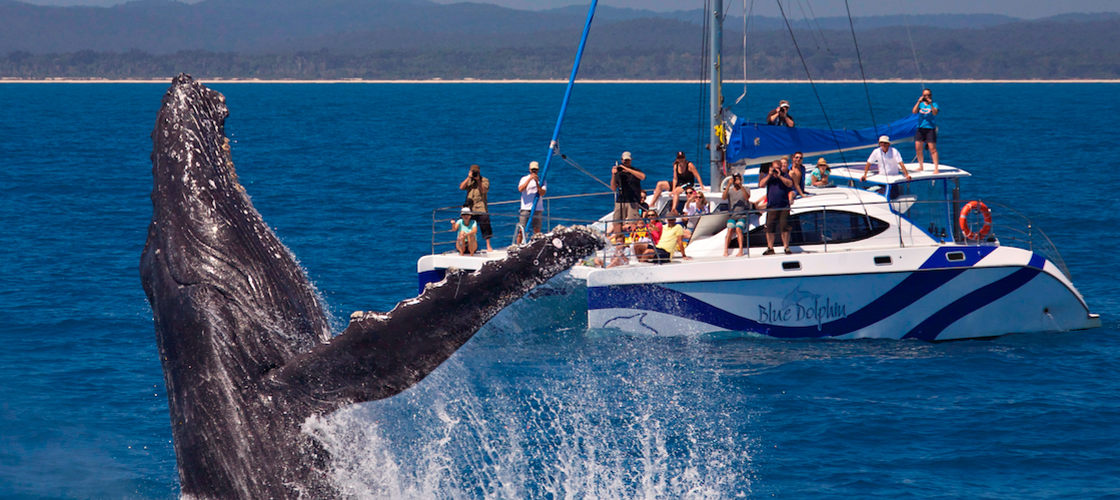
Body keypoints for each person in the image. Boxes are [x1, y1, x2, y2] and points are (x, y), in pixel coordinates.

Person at [760, 159, 794, 255]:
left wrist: (780, 176)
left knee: (784, 227)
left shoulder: (784, 175)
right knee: (770, 228)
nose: (776, 170)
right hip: (771, 206)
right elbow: (761, 184)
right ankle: (770, 248)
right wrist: (770, 175)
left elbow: (790, 184)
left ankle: (786, 247)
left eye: (778, 168)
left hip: (783, 206)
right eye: (775, 168)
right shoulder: (769, 177)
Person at [610, 151, 646, 236]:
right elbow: (613, 188)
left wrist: (628, 170)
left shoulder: (635, 171)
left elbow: (643, 177)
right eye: (625, 160)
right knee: (617, 221)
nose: (626, 162)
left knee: (633, 221)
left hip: (632, 200)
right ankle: (618, 239)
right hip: (621, 200)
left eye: (628, 160)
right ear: (621, 160)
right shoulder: (619, 173)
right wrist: (613, 174)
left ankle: (633, 238)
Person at [459, 164, 492, 252]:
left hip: (480, 207)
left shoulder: (484, 180)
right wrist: (468, 177)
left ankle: (488, 245)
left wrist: (478, 181)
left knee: (485, 223)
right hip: (469, 207)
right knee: (464, 224)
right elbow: (461, 187)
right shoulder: (469, 181)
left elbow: (484, 190)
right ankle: (464, 245)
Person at [517, 160, 547, 243]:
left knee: (537, 230)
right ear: (530, 170)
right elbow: (520, 189)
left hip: (537, 208)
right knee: (521, 230)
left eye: (535, 170)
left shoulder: (542, 180)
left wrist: (537, 183)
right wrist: (529, 179)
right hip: (525, 208)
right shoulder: (524, 179)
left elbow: (542, 193)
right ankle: (518, 246)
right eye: (533, 170)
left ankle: (536, 245)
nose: (534, 171)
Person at [722, 172, 751, 256]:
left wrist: (741, 186)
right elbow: (723, 197)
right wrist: (728, 185)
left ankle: (741, 250)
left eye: (738, 179)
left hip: (742, 215)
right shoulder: (730, 191)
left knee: (738, 228)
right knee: (730, 229)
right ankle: (725, 250)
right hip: (732, 216)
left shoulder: (746, 188)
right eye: (735, 179)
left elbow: (747, 197)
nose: (737, 181)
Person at [912, 88, 940, 173]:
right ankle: (921, 166)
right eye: (925, 95)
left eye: (928, 95)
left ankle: (936, 168)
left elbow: (935, 113)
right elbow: (914, 112)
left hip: (930, 129)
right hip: (920, 128)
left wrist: (931, 104)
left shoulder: (935, 104)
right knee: (918, 148)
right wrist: (918, 102)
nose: (926, 97)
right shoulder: (920, 105)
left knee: (932, 149)